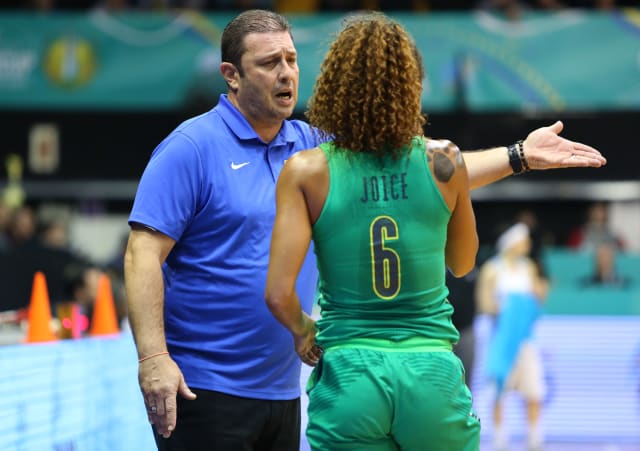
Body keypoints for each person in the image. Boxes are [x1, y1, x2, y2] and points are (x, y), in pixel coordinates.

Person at [123, 8, 606, 451]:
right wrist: (152, 357)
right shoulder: (191, 147)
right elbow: (141, 253)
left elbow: (415, 167)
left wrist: (518, 156)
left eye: (291, 59)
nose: (287, 72)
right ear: (231, 74)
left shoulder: (309, 150)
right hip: (206, 385)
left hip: (291, 386)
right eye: (270, 63)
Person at [265, 13, 480, 449]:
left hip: (351, 376)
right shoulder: (445, 160)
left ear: (335, 86)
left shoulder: (306, 171)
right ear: (411, 85)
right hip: (431, 374)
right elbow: (462, 263)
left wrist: (304, 330)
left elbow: (278, 294)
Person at [476, 222, 549, 451]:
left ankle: (534, 437)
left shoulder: (529, 267)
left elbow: (539, 299)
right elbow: (484, 302)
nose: (527, 246)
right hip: (502, 340)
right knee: (499, 390)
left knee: (534, 390)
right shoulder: (492, 269)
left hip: (526, 340)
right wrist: (505, 308)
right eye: (523, 242)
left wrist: (537, 293)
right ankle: (499, 438)